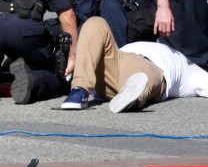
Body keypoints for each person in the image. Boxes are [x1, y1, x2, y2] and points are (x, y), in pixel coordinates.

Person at [61, 16, 208, 112]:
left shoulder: (190, 74)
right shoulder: (185, 63)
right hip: (120, 61)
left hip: (153, 69)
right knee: (95, 22)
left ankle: (133, 95)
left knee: (145, 76)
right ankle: (79, 89)